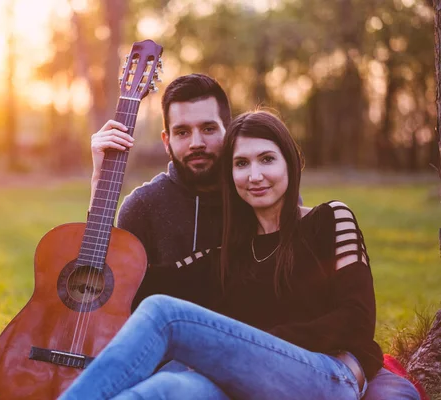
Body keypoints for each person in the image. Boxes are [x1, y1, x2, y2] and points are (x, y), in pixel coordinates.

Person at [88, 76, 420, 399]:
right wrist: (102, 181)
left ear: (289, 162)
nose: (255, 175)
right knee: (162, 391)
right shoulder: (230, 251)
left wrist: (252, 342)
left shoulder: (329, 219)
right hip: (243, 376)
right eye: (242, 164)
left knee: (163, 312)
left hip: (327, 372)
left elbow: (357, 321)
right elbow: (123, 283)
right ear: (231, 175)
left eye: (267, 159)